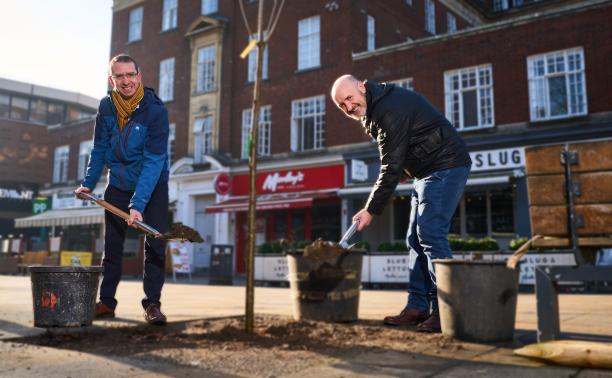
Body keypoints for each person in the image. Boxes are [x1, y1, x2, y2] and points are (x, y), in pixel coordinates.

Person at [330, 75, 471, 332]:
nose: (348, 107)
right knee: (415, 240)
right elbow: (408, 144)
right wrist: (409, 170)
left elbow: (390, 164)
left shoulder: (388, 109)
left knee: (430, 234)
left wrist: (370, 209)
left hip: (445, 165)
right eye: (342, 105)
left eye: (349, 98)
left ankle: (446, 310)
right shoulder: (374, 109)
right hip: (424, 172)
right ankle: (417, 306)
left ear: (362, 86)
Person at [75, 54, 170, 325]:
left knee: (155, 246)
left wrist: (138, 204)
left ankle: (152, 304)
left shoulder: (155, 111)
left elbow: (153, 162)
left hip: (152, 186)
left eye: (131, 75)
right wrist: (89, 183)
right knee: (112, 247)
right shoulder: (106, 107)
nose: (126, 81)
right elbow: (100, 148)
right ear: (111, 79)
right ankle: (106, 302)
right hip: (117, 183)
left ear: (139, 76)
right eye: (120, 76)